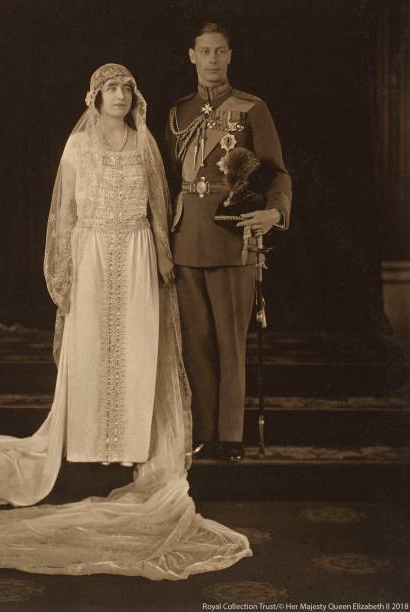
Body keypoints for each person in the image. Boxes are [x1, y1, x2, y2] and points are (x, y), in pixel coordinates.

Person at [0, 64, 252, 580]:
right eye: (112, 88)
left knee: (136, 348)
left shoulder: (145, 142)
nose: (121, 96)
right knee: (93, 349)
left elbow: (156, 203)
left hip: (136, 252)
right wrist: (64, 271)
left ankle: (129, 442)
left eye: (127, 88)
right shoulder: (77, 147)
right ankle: (87, 442)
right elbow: (63, 214)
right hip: (92, 257)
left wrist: (165, 256)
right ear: (95, 97)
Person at [165, 23, 292, 462]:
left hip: (233, 237)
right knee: (195, 342)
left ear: (230, 56)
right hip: (186, 240)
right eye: (205, 52)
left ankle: (231, 435)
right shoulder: (177, 113)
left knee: (229, 343)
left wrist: (275, 212)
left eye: (220, 52)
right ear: (191, 56)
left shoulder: (251, 108)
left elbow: (277, 172)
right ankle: (203, 431)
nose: (213, 59)